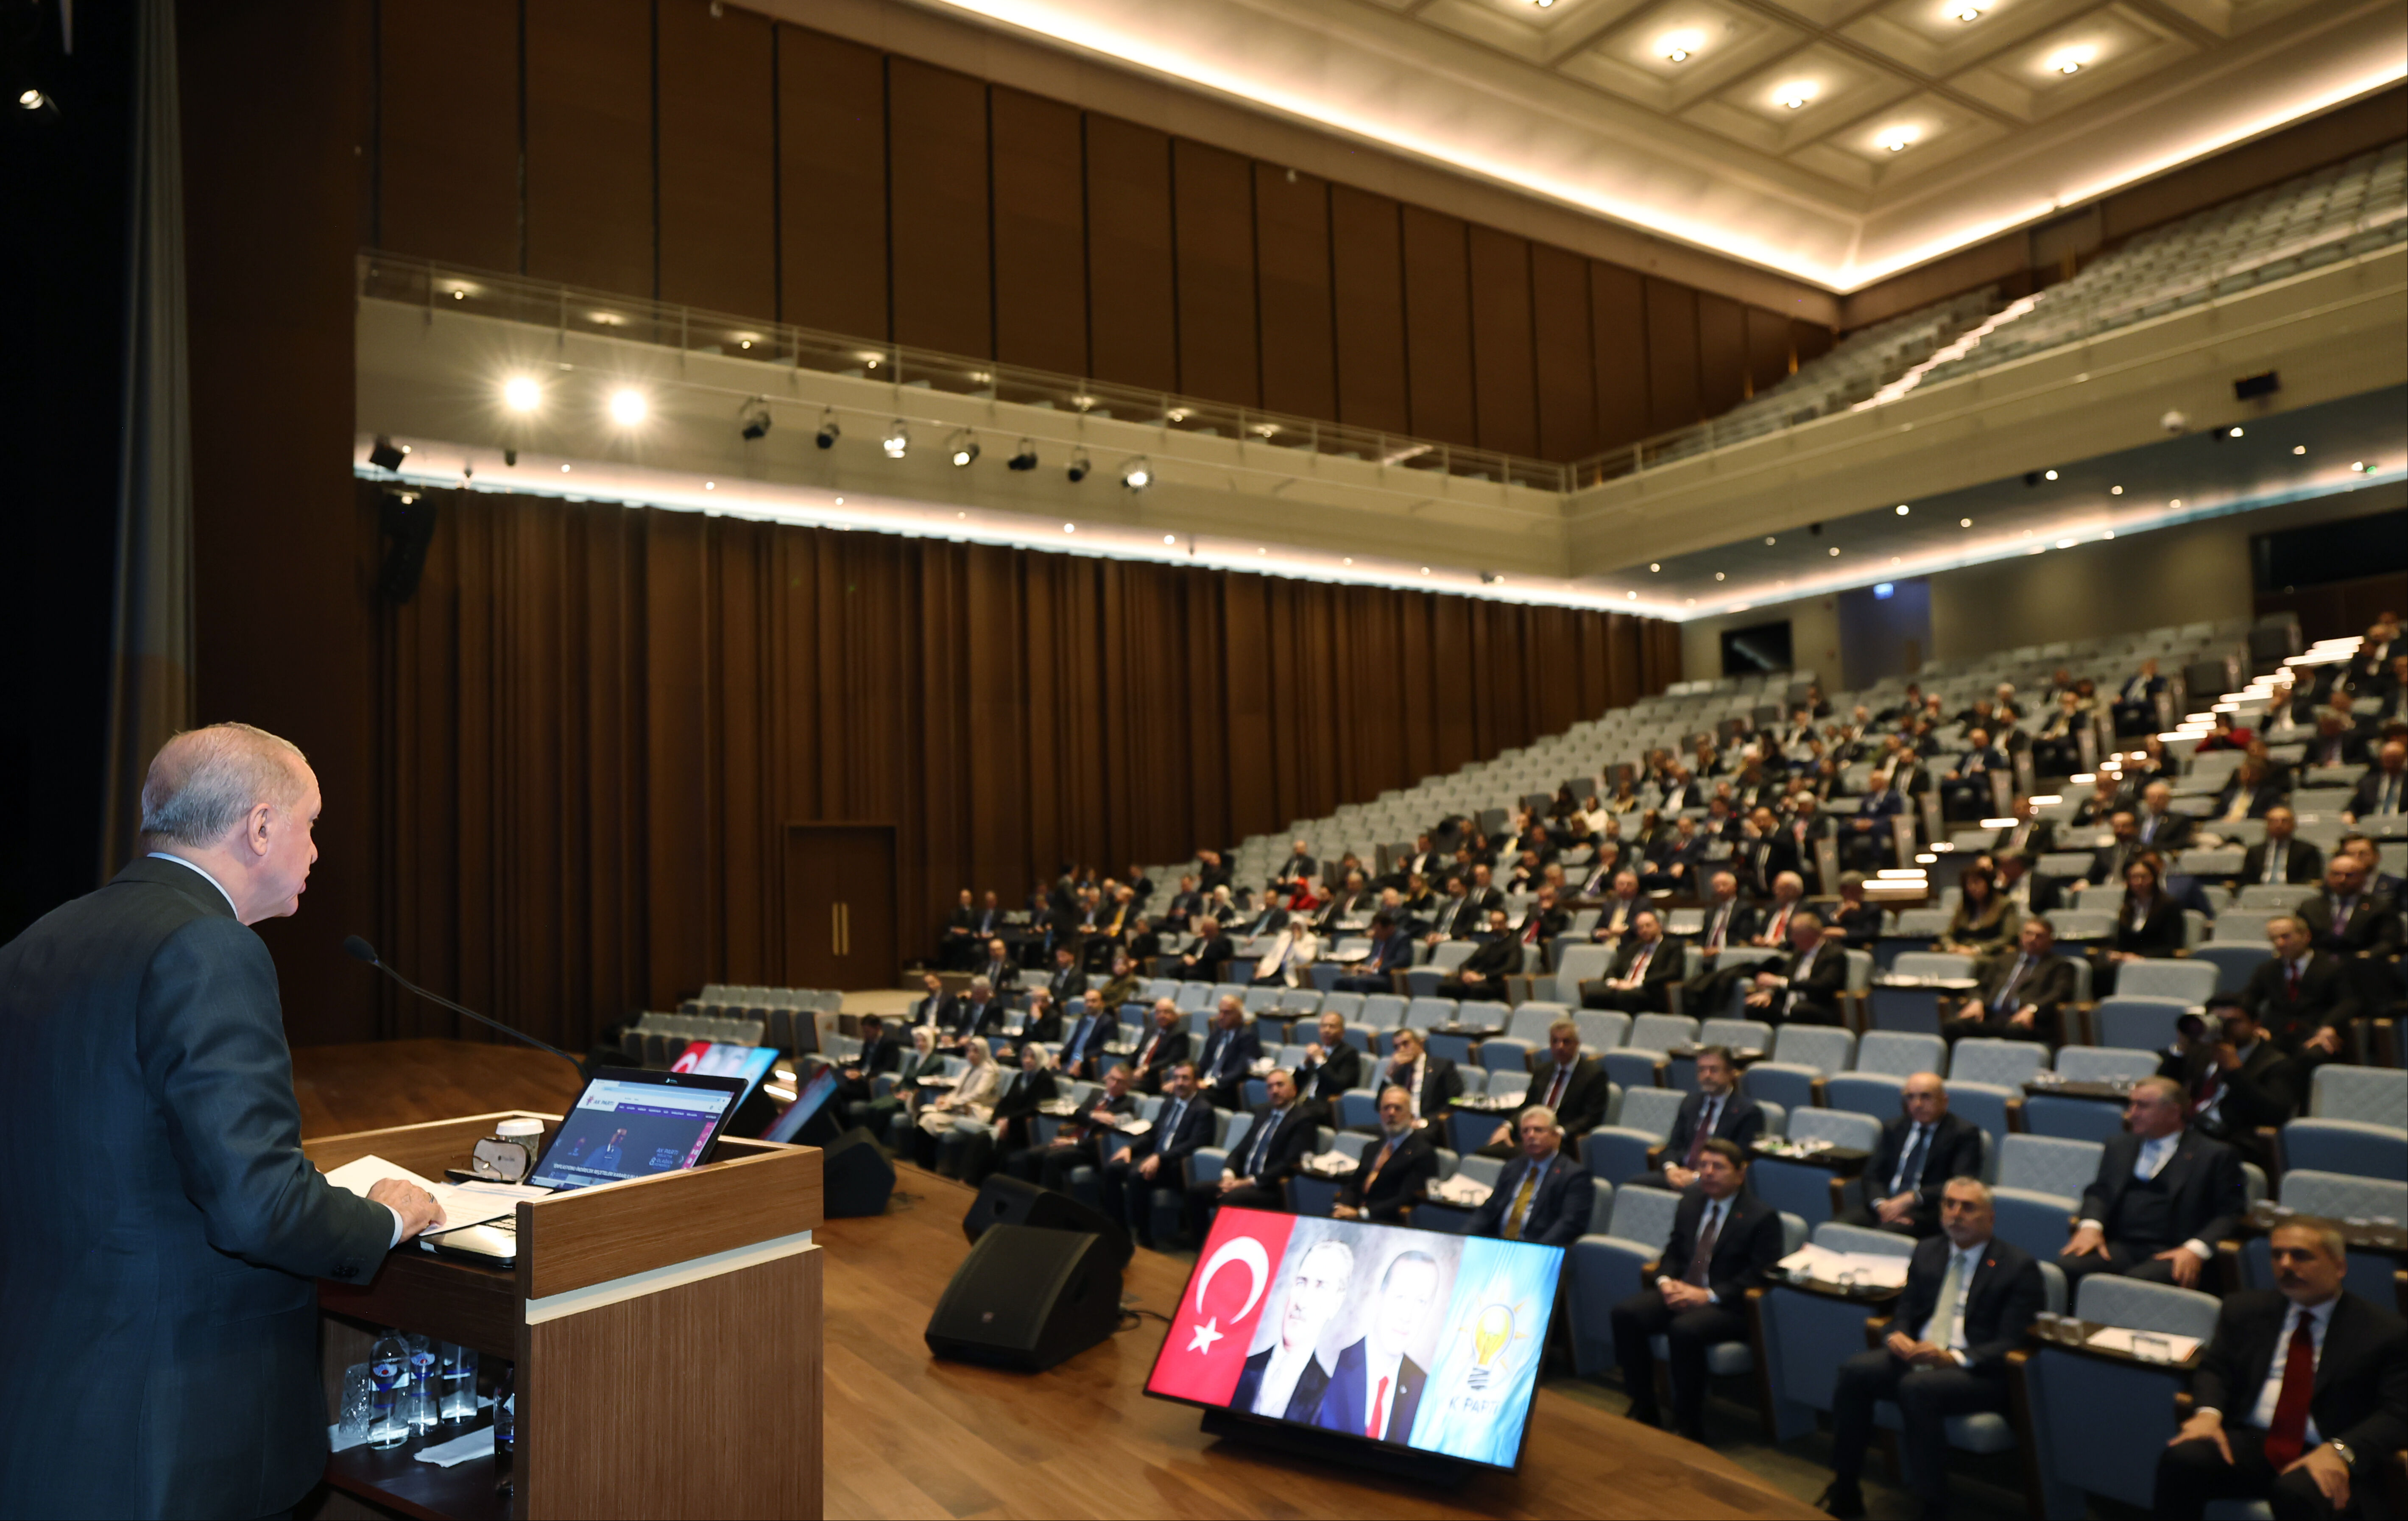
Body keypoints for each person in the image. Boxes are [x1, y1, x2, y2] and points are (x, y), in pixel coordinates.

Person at [0, 725, 447, 1519]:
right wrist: (383, 1217)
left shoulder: (38, 941)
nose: (316, 853)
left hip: (45, 1410)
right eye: (311, 825)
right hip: (168, 1433)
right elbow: (255, 1206)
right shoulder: (211, 946)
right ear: (262, 825)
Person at [1818, 1180, 2045, 1521]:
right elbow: (1905, 1311)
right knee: (1855, 1370)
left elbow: (2014, 1342)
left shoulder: (2018, 1266)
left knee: (1916, 1387)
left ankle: (1933, 1504)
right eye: (1949, 1205)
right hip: (1918, 1356)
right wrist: (1897, 1335)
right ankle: (1845, 1485)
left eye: (1967, 1207)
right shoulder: (1928, 1249)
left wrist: (1952, 1358)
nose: (1956, 1214)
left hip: (1976, 1371)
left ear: (1990, 1217)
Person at [2157, 1220, 2408, 1521]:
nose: (2285, 1265)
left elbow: (2397, 1411)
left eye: (2301, 1255)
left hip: (2327, 1445)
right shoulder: (2244, 1309)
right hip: (2256, 1441)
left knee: (2295, 1491)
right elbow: (2214, 1369)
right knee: (2182, 1459)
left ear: (2339, 1266)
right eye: (2277, 1255)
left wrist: (2341, 1449)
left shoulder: (2384, 1330)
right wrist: (2207, 1415)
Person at [1610, 1139, 1786, 1440]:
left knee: (1684, 1330)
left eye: (1717, 1167)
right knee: (1625, 1314)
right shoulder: (1690, 1202)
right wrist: (1666, 1283)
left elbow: (1760, 1275)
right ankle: (1644, 1404)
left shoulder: (1761, 1216)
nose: (1707, 1173)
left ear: (1740, 1174)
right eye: (1703, 1165)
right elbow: (1674, 1251)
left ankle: (1687, 1421)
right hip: (1683, 1289)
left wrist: (1708, 1295)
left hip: (1728, 1305)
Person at [2061, 1077, 2247, 1291]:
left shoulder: (2216, 1155)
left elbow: (2232, 1213)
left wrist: (2196, 1249)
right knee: (2068, 1268)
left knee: (2137, 1285)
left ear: (2174, 1112)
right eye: (2131, 1105)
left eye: (2143, 1106)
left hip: (2175, 1249)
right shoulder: (2119, 1145)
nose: (2132, 1114)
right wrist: (2090, 1226)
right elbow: (2099, 1191)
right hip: (2121, 1245)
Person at [2158, 999, 2306, 1169]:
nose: (2224, 1028)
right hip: (2190, 1131)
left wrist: (2235, 1073)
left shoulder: (2277, 1063)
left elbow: (2277, 1114)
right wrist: (2180, 1050)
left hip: (2234, 1139)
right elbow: (2164, 1089)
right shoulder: (2202, 1051)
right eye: (2217, 1021)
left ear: (2256, 1025)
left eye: (2233, 1022)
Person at [1315, 1248, 1442, 1443]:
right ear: (1380, 1297)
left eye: (1421, 1302)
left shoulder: (1426, 1391)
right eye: (1400, 1297)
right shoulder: (1330, 1364)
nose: (1407, 1316)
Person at [1839, 1074, 1983, 1237]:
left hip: (1927, 1211)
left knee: (1884, 1237)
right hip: (1885, 1204)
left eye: (1926, 1097)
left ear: (1945, 1100)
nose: (1918, 1104)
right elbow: (1872, 1175)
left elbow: (1961, 1183)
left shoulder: (1964, 1133)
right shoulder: (1893, 1128)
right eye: (1911, 1097)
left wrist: (1912, 1198)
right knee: (1836, 1229)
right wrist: (1882, 1205)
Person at [1232, 1238, 1352, 1422]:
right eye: (1301, 1283)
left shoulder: (1329, 1400)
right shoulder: (1242, 1367)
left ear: (1336, 1303)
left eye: (1321, 1286)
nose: (1301, 1302)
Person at [1100, 1061, 1215, 1248]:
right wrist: (1131, 1148)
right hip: (1154, 1159)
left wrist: (1161, 1158)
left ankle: (1143, 1238)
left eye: (1185, 1078)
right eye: (1176, 1078)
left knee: (1137, 1175)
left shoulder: (1203, 1110)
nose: (1179, 1083)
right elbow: (1153, 1133)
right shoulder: (1169, 1103)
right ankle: (1119, 1229)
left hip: (1176, 1167)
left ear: (1196, 1082)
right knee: (1113, 1168)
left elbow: (1195, 1144)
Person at [1193, 1069, 1316, 1228]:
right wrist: (1228, 1176)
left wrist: (1246, 1183)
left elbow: (1289, 1163)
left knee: (1230, 1199)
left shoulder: (1303, 1119)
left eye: (1280, 1085)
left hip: (1270, 1187)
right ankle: (1201, 1246)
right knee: (1196, 1191)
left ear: (1294, 1090)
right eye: (1270, 1087)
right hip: (1241, 1182)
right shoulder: (1263, 1112)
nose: (1275, 1091)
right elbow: (1241, 1149)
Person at [1633, 1046, 1764, 1189]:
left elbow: (1739, 1160)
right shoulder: (1691, 1102)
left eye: (1714, 1070)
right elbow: (1673, 1146)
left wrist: (1697, 1176)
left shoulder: (1748, 1112)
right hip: (1680, 1172)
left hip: (1714, 1180)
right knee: (1635, 1185)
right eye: (1702, 1070)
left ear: (1730, 1073)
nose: (1707, 1075)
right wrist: (1672, 1169)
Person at [1478, 1019, 1610, 1158]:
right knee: (1483, 1154)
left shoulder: (1593, 1075)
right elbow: (1527, 1106)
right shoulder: (1542, 1071)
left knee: (1520, 1157)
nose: (1560, 1046)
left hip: (1562, 1142)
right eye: (1555, 1041)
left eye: (1566, 1041)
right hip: (1530, 1136)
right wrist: (1507, 1126)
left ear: (1577, 1044)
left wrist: (1558, 1132)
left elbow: (1591, 1117)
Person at [1465, 1106, 1595, 1246]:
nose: (1531, 1136)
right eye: (1525, 1131)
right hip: (1499, 1245)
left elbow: (1569, 1224)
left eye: (1538, 1130)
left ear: (1555, 1135)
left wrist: (1534, 1251)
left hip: (1538, 1249)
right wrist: (1463, 1239)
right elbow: (1489, 1210)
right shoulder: (1513, 1168)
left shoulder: (1574, 1176)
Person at [1946, 914, 2078, 1044]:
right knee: (1953, 1026)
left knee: (2015, 1030)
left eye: (2039, 936)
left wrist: (2034, 1009)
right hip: (1991, 1018)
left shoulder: (2060, 966)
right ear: (2021, 937)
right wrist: (1976, 1001)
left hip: (2029, 1022)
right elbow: (1981, 985)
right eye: (2029, 933)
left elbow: (2060, 994)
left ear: (2050, 942)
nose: (2032, 939)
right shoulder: (2004, 959)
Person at [1013, 1063, 1138, 1189]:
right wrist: (1093, 1115)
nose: (1114, 1084)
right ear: (1106, 1077)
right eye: (1112, 1078)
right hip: (1072, 1139)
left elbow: (1105, 1137)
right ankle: (1029, 1197)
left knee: (1051, 1158)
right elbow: (1077, 1114)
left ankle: (1050, 1203)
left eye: (1120, 1082)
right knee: (1030, 1155)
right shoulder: (1096, 1094)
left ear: (1127, 1086)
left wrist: (1073, 1142)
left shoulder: (1126, 1105)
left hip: (1089, 1149)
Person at [1334, 1087, 1439, 1223]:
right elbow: (1354, 1185)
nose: (1391, 1113)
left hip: (1386, 1221)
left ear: (1410, 1115)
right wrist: (1342, 1206)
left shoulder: (1423, 1153)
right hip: (1355, 1216)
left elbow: (1406, 1198)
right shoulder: (1372, 1148)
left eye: (1398, 1108)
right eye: (1386, 1108)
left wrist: (1362, 1214)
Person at [1743, 910, 1846, 1026]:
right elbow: (1785, 975)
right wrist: (1768, 993)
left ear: (1811, 935)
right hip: (1790, 1002)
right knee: (1755, 1007)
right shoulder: (1798, 953)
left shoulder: (1834, 954)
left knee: (1799, 1010)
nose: (1792, 939)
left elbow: (1824, 985)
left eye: (1796, 934)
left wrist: (1781, 983)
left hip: (1817, 1004)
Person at [1581, 908, 1682, 1012]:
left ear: (1659, 926)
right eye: (1640, 928)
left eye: (1648, 926)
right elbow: (1612, 969)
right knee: (1592, 996)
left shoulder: (1672, 947)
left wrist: (1637, 984)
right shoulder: (1633, 947)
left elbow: (1673, 973)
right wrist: (1614, 983)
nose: (1644, 930)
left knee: (1625, 997)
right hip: (1624, 989)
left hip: (1650, 991)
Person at [1381, 1026, 1463, 1126]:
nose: (1401, 1050)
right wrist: (1389, 1074)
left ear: (1420, 1044)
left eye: (1406, 1044)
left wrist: (1425, 1122)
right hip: (1400, 1124)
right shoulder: (1399, 1070)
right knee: (1359, 1130)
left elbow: (1455, 1102)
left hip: (1428, 1125)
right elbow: (1379, 1106)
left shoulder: (1442, 1066)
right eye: (1397, 1047)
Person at [1435, 906, 1521, 1000]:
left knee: (1477, 989)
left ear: (1506, 923)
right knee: (1446, 986)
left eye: (1500, 924)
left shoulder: (1514, 943)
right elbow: (1466, 963)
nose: (1496, 927)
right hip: (1478, 980)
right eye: (1493, 924)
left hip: (1496, 982)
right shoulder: (1488, 944)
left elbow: (1511, 967)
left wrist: (1483, 977)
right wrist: (1466, 974)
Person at [1935, 864, 2017, 956]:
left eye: (1977, 882)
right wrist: (1951, 947)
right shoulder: (1963, 906)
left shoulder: (2005, 905)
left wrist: (1976, 950)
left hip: (1988, 955)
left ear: (1987, 883)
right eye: (1968, 884)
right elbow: (1948, 934)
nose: (1972, 887)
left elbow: (2008, 938)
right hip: (1960, 952)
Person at [1332, 910, 1417, 994]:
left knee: (1360, 982)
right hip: (1370, 975)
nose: (1375, 934)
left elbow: (1402, 960)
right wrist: (1361, 966)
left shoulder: (1402, 938)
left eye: (1378, 930)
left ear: (1390, 928)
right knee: (1341, 982)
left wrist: (1375, 970)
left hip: (1388, 977)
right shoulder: (1378, 939)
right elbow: (1372, 957)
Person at [1295, 1010, 1365, 1111]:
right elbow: (1294, 1084)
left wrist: (1320, 1061)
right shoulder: (1317, 1050)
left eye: (1332, 1027)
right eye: (1323, 1026)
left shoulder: (1349, 1053)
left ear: (1342, 1032)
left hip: (1324, 1105)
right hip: (1304, 1101)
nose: (1327, 1030)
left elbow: (1339, 1086)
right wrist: (1305, 1064)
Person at [2240, 806, 2324, 887]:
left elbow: (2310, 881)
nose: (2279, 825)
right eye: (2274, 821)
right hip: (2260, 895)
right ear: (2267, 825)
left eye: (2284, 821)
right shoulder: (2254, 851)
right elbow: (2246, 881)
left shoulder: (2308, 850)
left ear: (2293, 825)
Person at [1129, 998, 1192, 1093]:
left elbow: (1171, 1059)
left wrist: (1146, 1069)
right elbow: (1137, 1053)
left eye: (1166, 1012)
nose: (1162, 1016)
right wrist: (1124, 1068)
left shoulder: (1179, 1035)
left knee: (1124, 1088)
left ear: (1175, 1015)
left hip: (1153, 1077)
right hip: (1136, 1073)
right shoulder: (1150, 1030)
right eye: (1158, 1012)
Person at [2344, 738, 2407, 822]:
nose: (2392, 762)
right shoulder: (2367, 784)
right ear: (2382, 759)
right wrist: (2349, 816)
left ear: (2403, 759)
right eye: (2388, 758)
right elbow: (2352, 808)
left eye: (2395, 758)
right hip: (2372, 827)